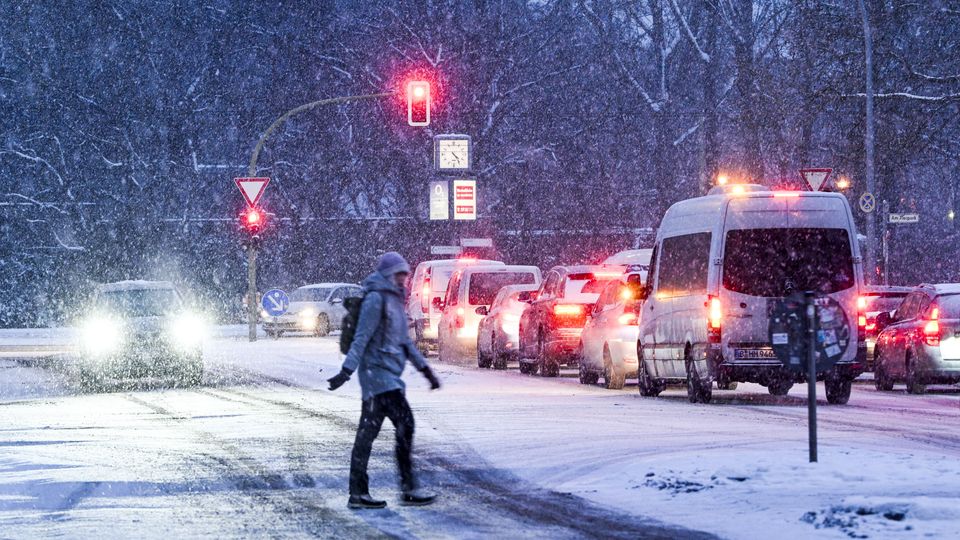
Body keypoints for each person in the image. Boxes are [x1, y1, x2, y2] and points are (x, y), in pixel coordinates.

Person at [327, 252, 442, 509]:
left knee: (368, 434)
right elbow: (361, 338)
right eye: (399, 274)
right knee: (404, 424)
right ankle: (405, 488)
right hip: (376, 376)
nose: (403, 278)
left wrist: (426, 371)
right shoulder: (376, 299)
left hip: (388, 376)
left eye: (405, 274)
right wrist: (346, 372)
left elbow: (404, 342)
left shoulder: (395, 301)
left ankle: (360, 492)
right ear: (388, 274)